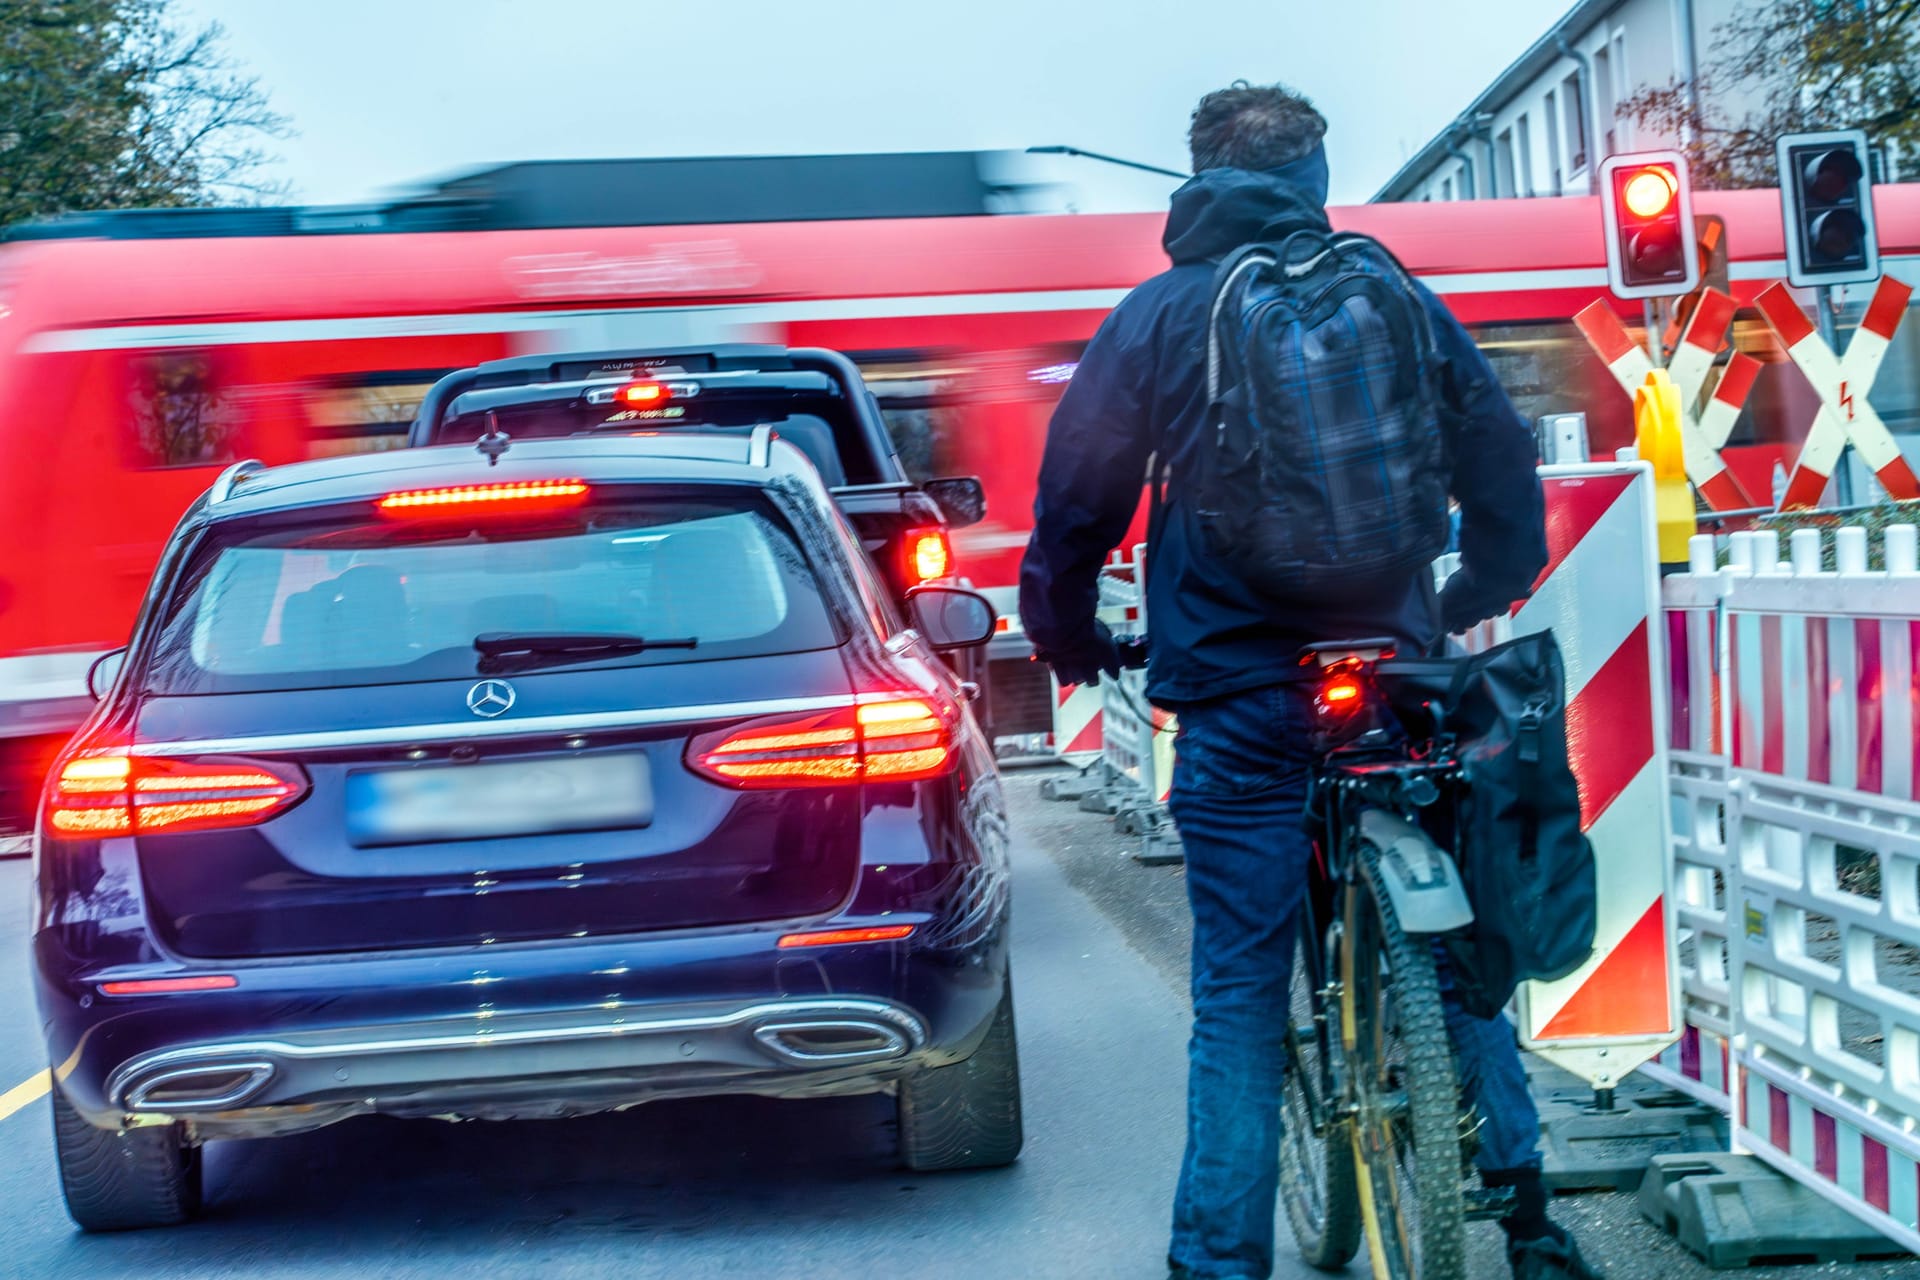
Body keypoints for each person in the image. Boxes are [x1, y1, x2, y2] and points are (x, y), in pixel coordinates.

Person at [1018, 83, 1603, 1280]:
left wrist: (1066, 635)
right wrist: (1479, 582)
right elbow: (1495, 444)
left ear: (1195, 179)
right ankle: (1533, 1224)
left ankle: (1218, 1262)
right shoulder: (1389, 292)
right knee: (1453, 951)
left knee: (1238, 984)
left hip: (1236, 688)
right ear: (1316, 176)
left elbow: (1076, 500)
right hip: (1393, 666)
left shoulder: (1161, 315)